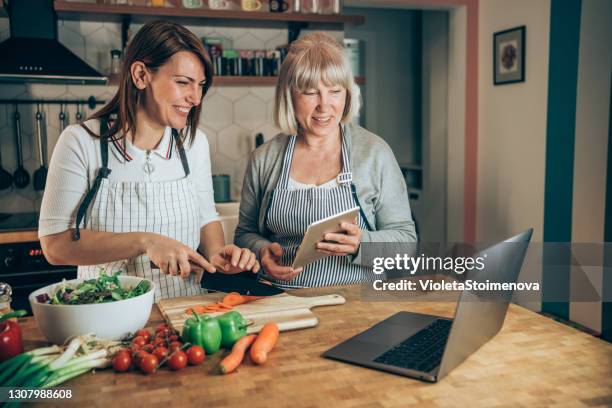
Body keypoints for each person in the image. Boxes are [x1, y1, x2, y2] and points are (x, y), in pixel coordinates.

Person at [39, 21, 259, 300]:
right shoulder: (82, 142)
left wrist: (217, 256)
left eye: (200, 85)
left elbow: (206, 216)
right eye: (182, 82)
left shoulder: (193, 143)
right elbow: (55, 246)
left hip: (185, 312)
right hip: (106, 313)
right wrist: (145, 242)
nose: (195, 98)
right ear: (141, 75)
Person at [234, 32, 416, 289]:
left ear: (347, 94)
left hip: (358, 305)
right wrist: (262, 251)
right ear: (289, 95)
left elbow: (406, 244)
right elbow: (244, 234)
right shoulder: (265, 158)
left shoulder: (375, 153)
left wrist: (361, 244)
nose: (324, 106)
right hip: (282, 303)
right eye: (310, 92)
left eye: (335, 91)